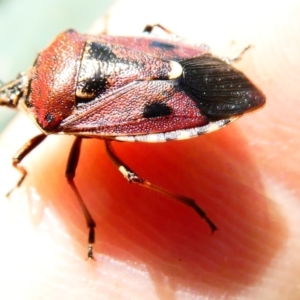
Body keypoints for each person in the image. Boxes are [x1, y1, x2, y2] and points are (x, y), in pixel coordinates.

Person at [0, 1, 299, 299]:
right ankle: (225, 59)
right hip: (136, 61)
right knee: (151, 30)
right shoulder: (65, 47)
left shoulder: (52, 117)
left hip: (155, 104)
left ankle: (163, 208)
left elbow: (28, 163)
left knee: (95, 176)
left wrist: (22, 172)